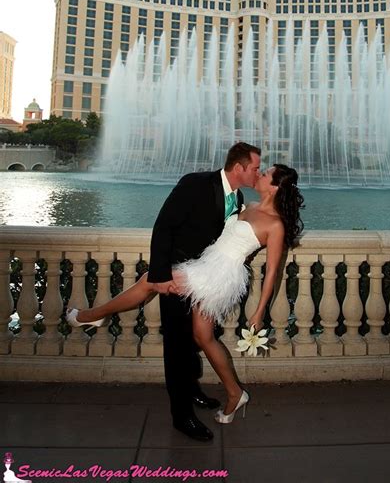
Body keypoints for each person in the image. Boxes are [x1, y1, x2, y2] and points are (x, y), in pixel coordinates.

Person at [68, 160, 304, 433]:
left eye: (265, 175)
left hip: (219, 274)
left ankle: (91, 316)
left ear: (274, 188)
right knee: (202, 337)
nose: (259, 175)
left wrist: (259, 313)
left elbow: (273, 273)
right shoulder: (247, 206)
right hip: (206, 263)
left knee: (151, 280)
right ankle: (235, 394)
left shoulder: (275, 226)